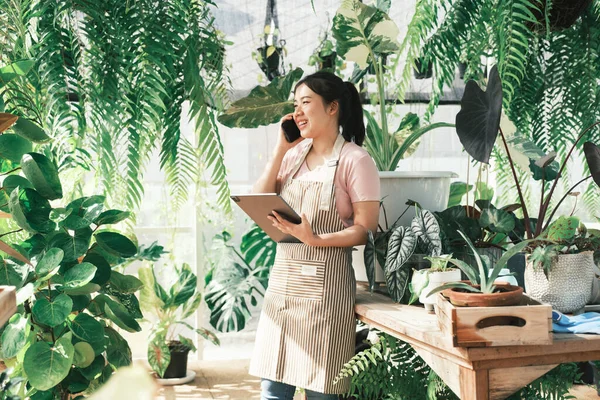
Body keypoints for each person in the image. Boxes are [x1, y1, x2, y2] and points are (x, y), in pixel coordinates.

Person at [249, 71, 380, 400]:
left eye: (306, 102)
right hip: (283, 286)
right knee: (272, 392)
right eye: (296, 104)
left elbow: (365, 229)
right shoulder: (292, 157)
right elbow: (260, 198)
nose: (298, 112)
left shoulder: (356, 160)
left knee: (322, 392)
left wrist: (316, 239)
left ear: (333, 107)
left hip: (326, 294)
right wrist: (280, 149)